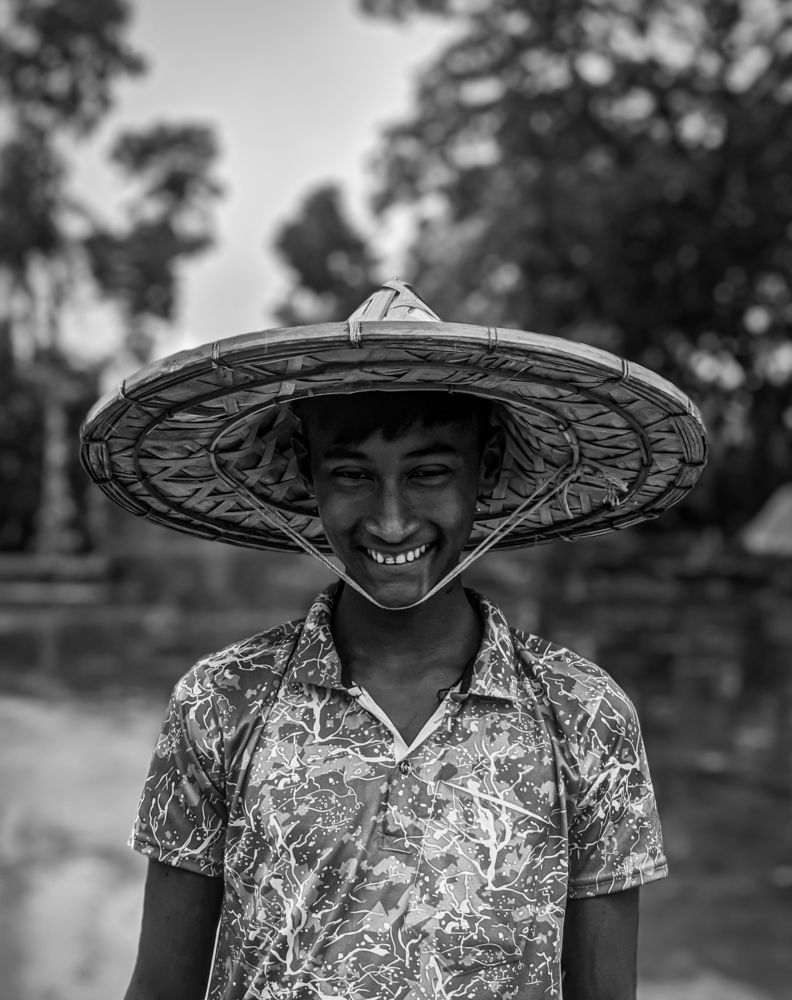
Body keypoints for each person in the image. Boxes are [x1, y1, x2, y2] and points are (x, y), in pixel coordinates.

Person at [80, 279, 708, 1000]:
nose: (390, 521)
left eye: (429, 472)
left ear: (488, 466)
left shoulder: (585, 715)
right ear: (306, 472)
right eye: (351, 474)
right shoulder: (221, 702)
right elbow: (162, 987)